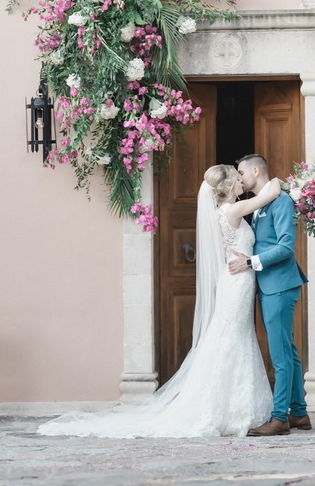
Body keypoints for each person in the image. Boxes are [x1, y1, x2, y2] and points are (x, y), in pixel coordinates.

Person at [36, 165, 281, 438]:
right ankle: (229, 410)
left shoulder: (223, 212)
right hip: (237, 282)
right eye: (237, 178)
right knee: (234, 338)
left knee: (234, 337)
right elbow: (269, 194)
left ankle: (232, 407)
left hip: (236, 279)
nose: (241, 182)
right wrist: (279, 181)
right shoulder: (233, 210)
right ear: (227, 187)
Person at [228, 153, 311, 436]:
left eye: (241, 172)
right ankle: (299, 413)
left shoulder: (281, 202)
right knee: (288, 350)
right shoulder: (262, 203)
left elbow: (286, 247)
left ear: (255, 170)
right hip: (269, 285)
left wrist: (250, 262)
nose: (239, 178)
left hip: (280, 285)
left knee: (280, 355)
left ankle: (279, 419)